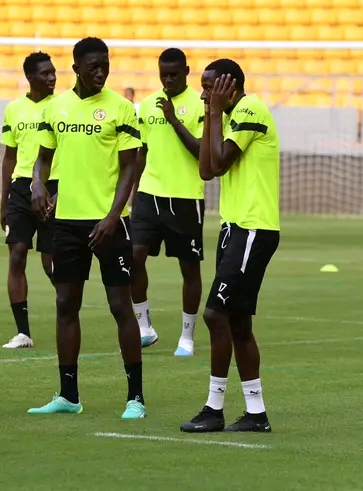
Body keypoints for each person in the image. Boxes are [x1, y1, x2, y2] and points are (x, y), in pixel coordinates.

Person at [28, 37, 147, 419]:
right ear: (76, 68)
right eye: (93, 65)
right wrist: (36, 185)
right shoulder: (56, 108)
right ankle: (68, 395)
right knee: (65, 304)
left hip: (110, 223)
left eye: (105, 64)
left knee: (119, 306)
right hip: (67, 223)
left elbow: (130, 166)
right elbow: (43, 158)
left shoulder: (122, 108)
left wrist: (115, 216)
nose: (101, 71)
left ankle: (135, 397)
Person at [180, 59, 280, 433]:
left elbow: (219, 163)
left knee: (214, 315)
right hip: (234, 229)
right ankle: (256, 413)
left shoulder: (250, 108)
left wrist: (215, 113)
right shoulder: (224, 114)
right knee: (238, 323)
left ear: (230, 84)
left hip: (253, 228)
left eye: (209, 86)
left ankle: (214, 408)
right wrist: (212, 114)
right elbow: (206, 170)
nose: (203, 92)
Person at [131, 48, 205, 356]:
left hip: (186, 196)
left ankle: (186, 336)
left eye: (174, 74)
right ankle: (144, 327)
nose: (169, 79)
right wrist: (134, 193)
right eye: (164, 74)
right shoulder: (147, 105)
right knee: (133, 258)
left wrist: (174, 120)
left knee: (189, 268)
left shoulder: (201, 105)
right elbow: (142, 151)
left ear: (187, 71)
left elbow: (202, 151)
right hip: (149, 193)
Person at [0, 51, 58, 349]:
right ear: (30, 77)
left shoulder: (62, 106)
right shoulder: (13, 109)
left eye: (53, 72)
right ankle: (23, 332)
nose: (52, 78)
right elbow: (9, 156)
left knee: (51, 262)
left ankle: (67, 315)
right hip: (21, 188)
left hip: (53, 188)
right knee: (17, 254)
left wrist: (57, 193)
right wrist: (3, 202)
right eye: (46, 73)